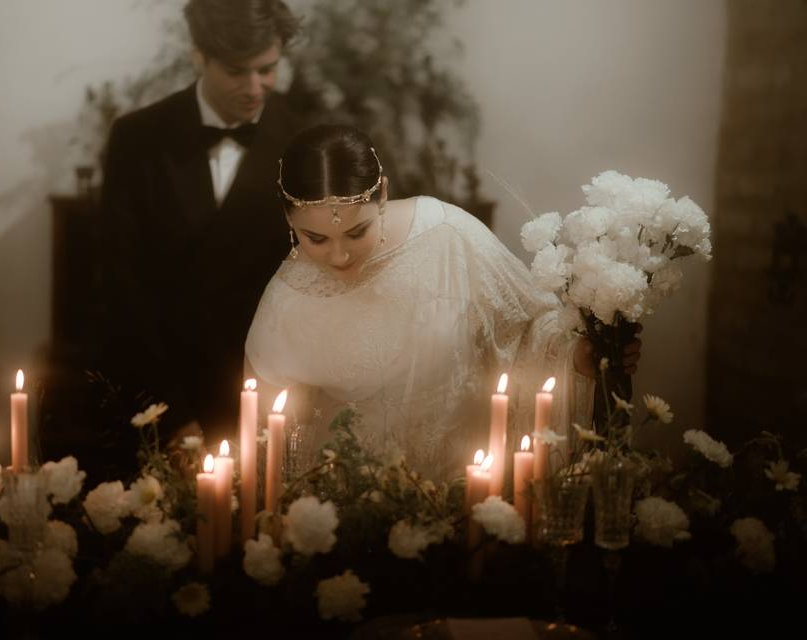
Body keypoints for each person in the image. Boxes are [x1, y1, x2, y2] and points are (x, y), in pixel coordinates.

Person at [245, 124, 641, 482]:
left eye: (357, 231)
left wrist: (576, 357)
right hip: (351, 501)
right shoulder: (288, 298)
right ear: (288, 217)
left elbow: (525, 328)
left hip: (465, 487)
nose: (339, 256)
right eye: (315, 239)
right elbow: (268, 434)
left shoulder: (448, 235)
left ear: (382, 193)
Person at [92, 0, 304, 473]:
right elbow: (121, 285)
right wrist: (170, 415)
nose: (255, 88)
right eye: (236, 71)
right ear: (198, 57)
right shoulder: (137, 137)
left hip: (267, 397)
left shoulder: (304, 140)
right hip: (159, 393)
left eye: (266, 69)